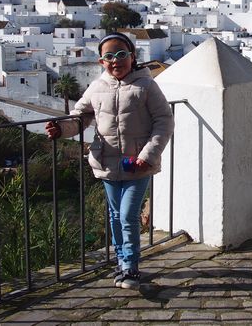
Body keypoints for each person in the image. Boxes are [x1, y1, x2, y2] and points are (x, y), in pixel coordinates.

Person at [45, 32, 174, 290]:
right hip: (106, 163)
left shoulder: (146, 85)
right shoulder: (97, 87)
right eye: (109, 56)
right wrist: (61, 130)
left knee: (127, 215)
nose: (116, 61)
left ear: (132, 56)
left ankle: (130, 266)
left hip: (137, 165)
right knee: (116, 215)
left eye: (121, 54)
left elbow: (164, 120)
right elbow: (80, 117)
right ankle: (122, 261)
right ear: (101, 61)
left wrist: (147, 155)